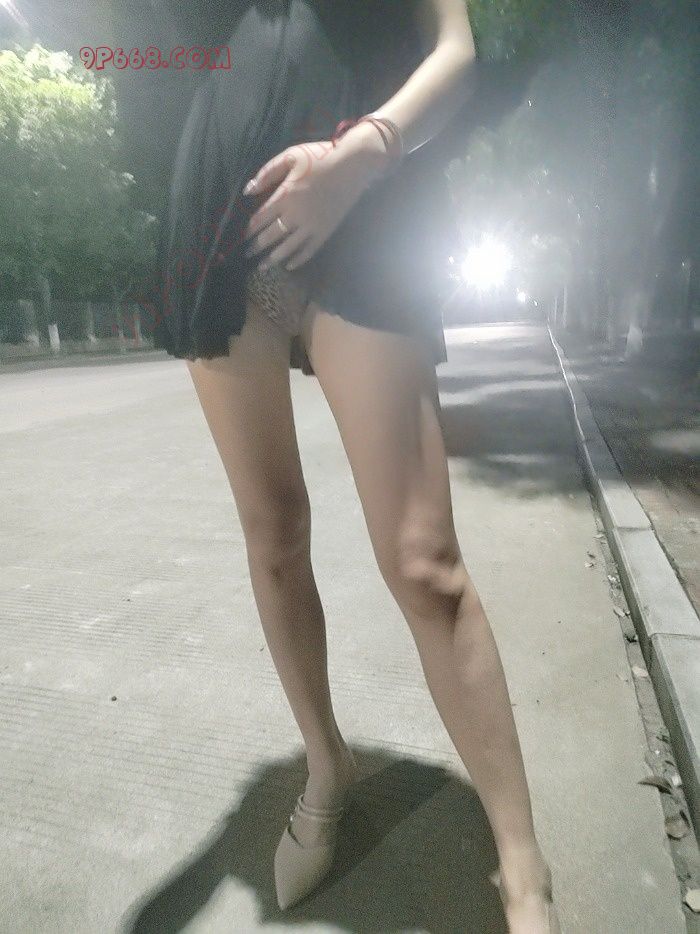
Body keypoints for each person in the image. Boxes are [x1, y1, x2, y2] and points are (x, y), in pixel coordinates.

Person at [139, 1, 561, 930]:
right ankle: (327, 762)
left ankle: (521, 864)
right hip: (219, 216)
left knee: (424, 561)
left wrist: (364, 153)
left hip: (367, 210)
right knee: (274, 535)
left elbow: (455, 48)